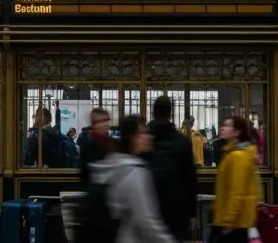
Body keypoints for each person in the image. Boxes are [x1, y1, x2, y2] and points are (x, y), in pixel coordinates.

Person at [87, 115, 177, 243]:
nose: (149, 137)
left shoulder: (112, 163)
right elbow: (147, 222)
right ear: (132, 137)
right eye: (144, 133)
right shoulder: (135, 171)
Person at [148, 96, 198, 241]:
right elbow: (190, 180)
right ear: (171, 114)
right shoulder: (182, 142)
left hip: (148, 211)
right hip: (177, 211)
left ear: (153, 113)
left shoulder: (144, 140)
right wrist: (192, 212)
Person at [209, 115, 260, 243]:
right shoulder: (230, 153)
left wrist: (229, 221)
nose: (222, 128)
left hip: (234, 223)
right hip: (229, 220)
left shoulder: (238, 156)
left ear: (237, 132)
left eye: (227, 126)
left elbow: (236, 192)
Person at [79, 108, 114, 185]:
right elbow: (85, 171)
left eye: (107, 120)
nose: (105, 124)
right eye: (101, 121)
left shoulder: (112, 143)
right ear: (94, 124)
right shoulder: (88, 143)